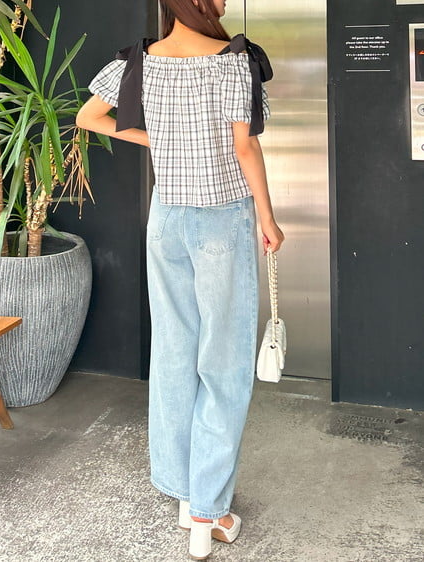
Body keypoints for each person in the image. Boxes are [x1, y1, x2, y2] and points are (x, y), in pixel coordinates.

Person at [76, 0, 285, 559]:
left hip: (166, 220)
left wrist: (160, 140)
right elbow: (245, 145)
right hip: (221, 221)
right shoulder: (232, 60)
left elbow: (88, 117)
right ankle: (207, 513)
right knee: (223, 361)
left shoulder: (139, 61)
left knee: (174, 353)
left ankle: (183, 490)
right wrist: (267, 218)